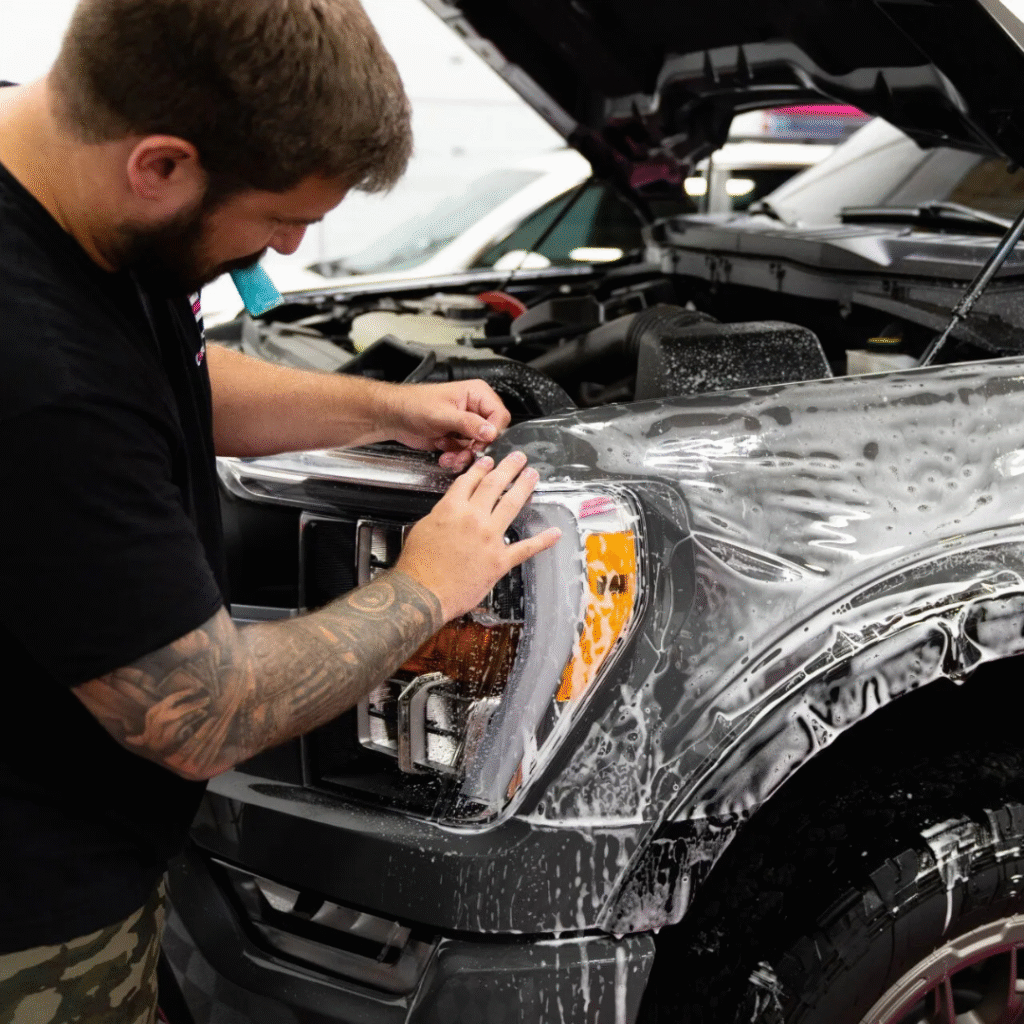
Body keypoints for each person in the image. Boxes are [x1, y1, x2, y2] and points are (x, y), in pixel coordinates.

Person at [0, 0, 561, 1020]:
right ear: (161, 166)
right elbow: (200, 714)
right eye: (279, 217)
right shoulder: (37, 370)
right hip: (32, 917)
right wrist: (429, 585)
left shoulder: (74, 199)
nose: (293, 246)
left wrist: (380, 407)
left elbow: (167, 381)